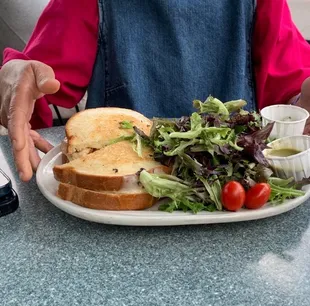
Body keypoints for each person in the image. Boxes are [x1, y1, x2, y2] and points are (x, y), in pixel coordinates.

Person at [1, 0, 310, 182]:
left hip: (237, 200)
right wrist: (11, 80)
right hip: (119, 201)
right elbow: (37, 84)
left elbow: (292, 97)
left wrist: (303, 103)